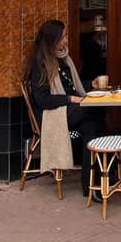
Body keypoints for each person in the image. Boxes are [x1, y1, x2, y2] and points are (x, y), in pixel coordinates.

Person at [27, 19, 106, 201]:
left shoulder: (63, 58)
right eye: (63, 37)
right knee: (93, 111)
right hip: (52, 114)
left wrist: (90, 84)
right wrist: (70, 99)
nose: (66, 40)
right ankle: (106, 173)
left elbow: (71, 86)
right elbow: (42, 99)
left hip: (68, 110)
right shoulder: (41, 64)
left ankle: (91, 185)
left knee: (91, 126)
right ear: (53, 39)